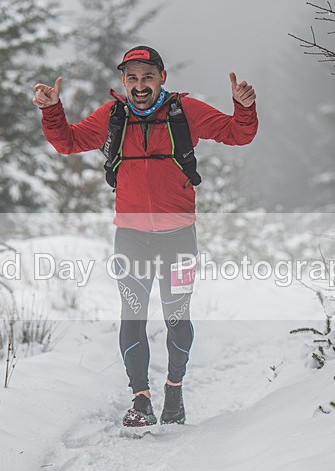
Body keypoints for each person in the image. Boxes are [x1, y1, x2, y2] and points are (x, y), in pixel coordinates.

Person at [32, 45, 258, 426]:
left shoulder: (185, 112)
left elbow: (238, 134)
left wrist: (244, 107)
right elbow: (67, 142)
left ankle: (174, 389)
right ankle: (140, 399)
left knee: (177, 315)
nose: (140, 85)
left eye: (147, 77)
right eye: (132, 78)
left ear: (162, 79)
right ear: (123, 81)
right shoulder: (113, 116)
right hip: (131, 238)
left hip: (180, 237)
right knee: (132, 317)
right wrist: (52, 110)